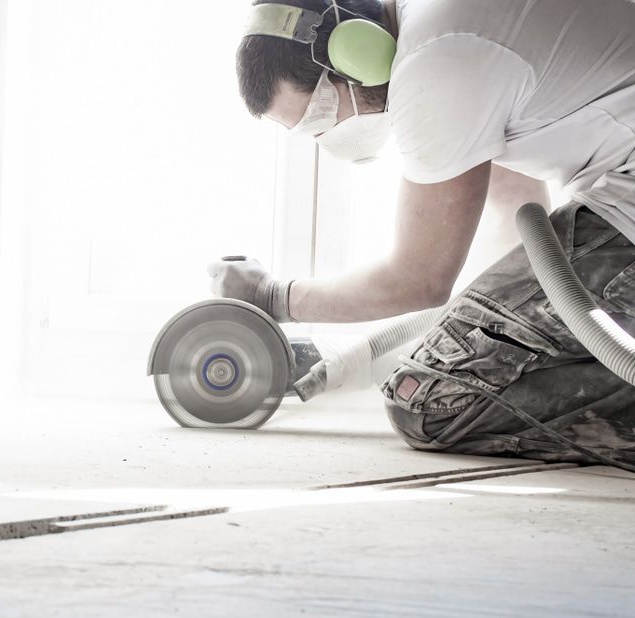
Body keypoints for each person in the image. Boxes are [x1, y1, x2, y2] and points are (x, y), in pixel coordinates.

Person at [210, 0, 635, 466]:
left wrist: (272, 297)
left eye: (318, 115)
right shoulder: (448, 23)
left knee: (430, 402)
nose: (326, 135)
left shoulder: (436, 61)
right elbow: (517, 217)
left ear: (356, 50)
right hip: (620, 204)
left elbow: (420, 281)